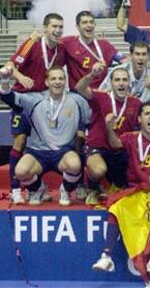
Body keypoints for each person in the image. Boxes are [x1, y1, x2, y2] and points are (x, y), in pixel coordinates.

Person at [91, 103, 150, 279]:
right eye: (146, 113)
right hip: (135, 190)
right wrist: (109, 127)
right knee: (117, 208)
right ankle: (106, 256)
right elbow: (114, 143)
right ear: (139, 119)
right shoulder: (130, 138)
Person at [0, 66, 90, 206]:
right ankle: (39, 189)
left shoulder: (78, 101)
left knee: (75, 165)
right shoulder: (35, 99)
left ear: (65, 81)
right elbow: (8, 97)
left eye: (61, 78)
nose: (57, 82)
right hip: (37, 151)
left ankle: (65, 190)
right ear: (47, 82)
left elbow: (86, 125)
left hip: (64, 152)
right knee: (21, 171)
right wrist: (5, 79)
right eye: (53, 78)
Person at [5, 12, 65, 204]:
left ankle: (39, 188)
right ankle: (15, 189)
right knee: (19, 142)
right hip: (24, 99)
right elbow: (9, 64)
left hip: (46, 103)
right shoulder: (32, 43)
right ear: (45, 28)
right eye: (53, 26)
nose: (57, 30)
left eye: (60, 27)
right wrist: (19, 76)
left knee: (50, 145)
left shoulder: (62, 49)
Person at [76, 63, 142, 205]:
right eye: (117, 80)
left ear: (129, 83)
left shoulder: (136, 103)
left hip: (120, 150)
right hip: (97, 147)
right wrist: (92, 75)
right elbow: (80, 88)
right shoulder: (101, 97)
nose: (121, 83)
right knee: (99, 170)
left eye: (124, 80)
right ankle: (92, 187)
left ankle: (117, 184)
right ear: (111, 83)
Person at [62, 10, 122, 90]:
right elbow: (51, 41)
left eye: (91, 22)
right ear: (77, 26)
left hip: (101, 92)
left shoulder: (104, 44)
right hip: (78, 94)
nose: (89, 25)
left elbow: (123, 59)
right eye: (85, 22)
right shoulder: (69, 43)